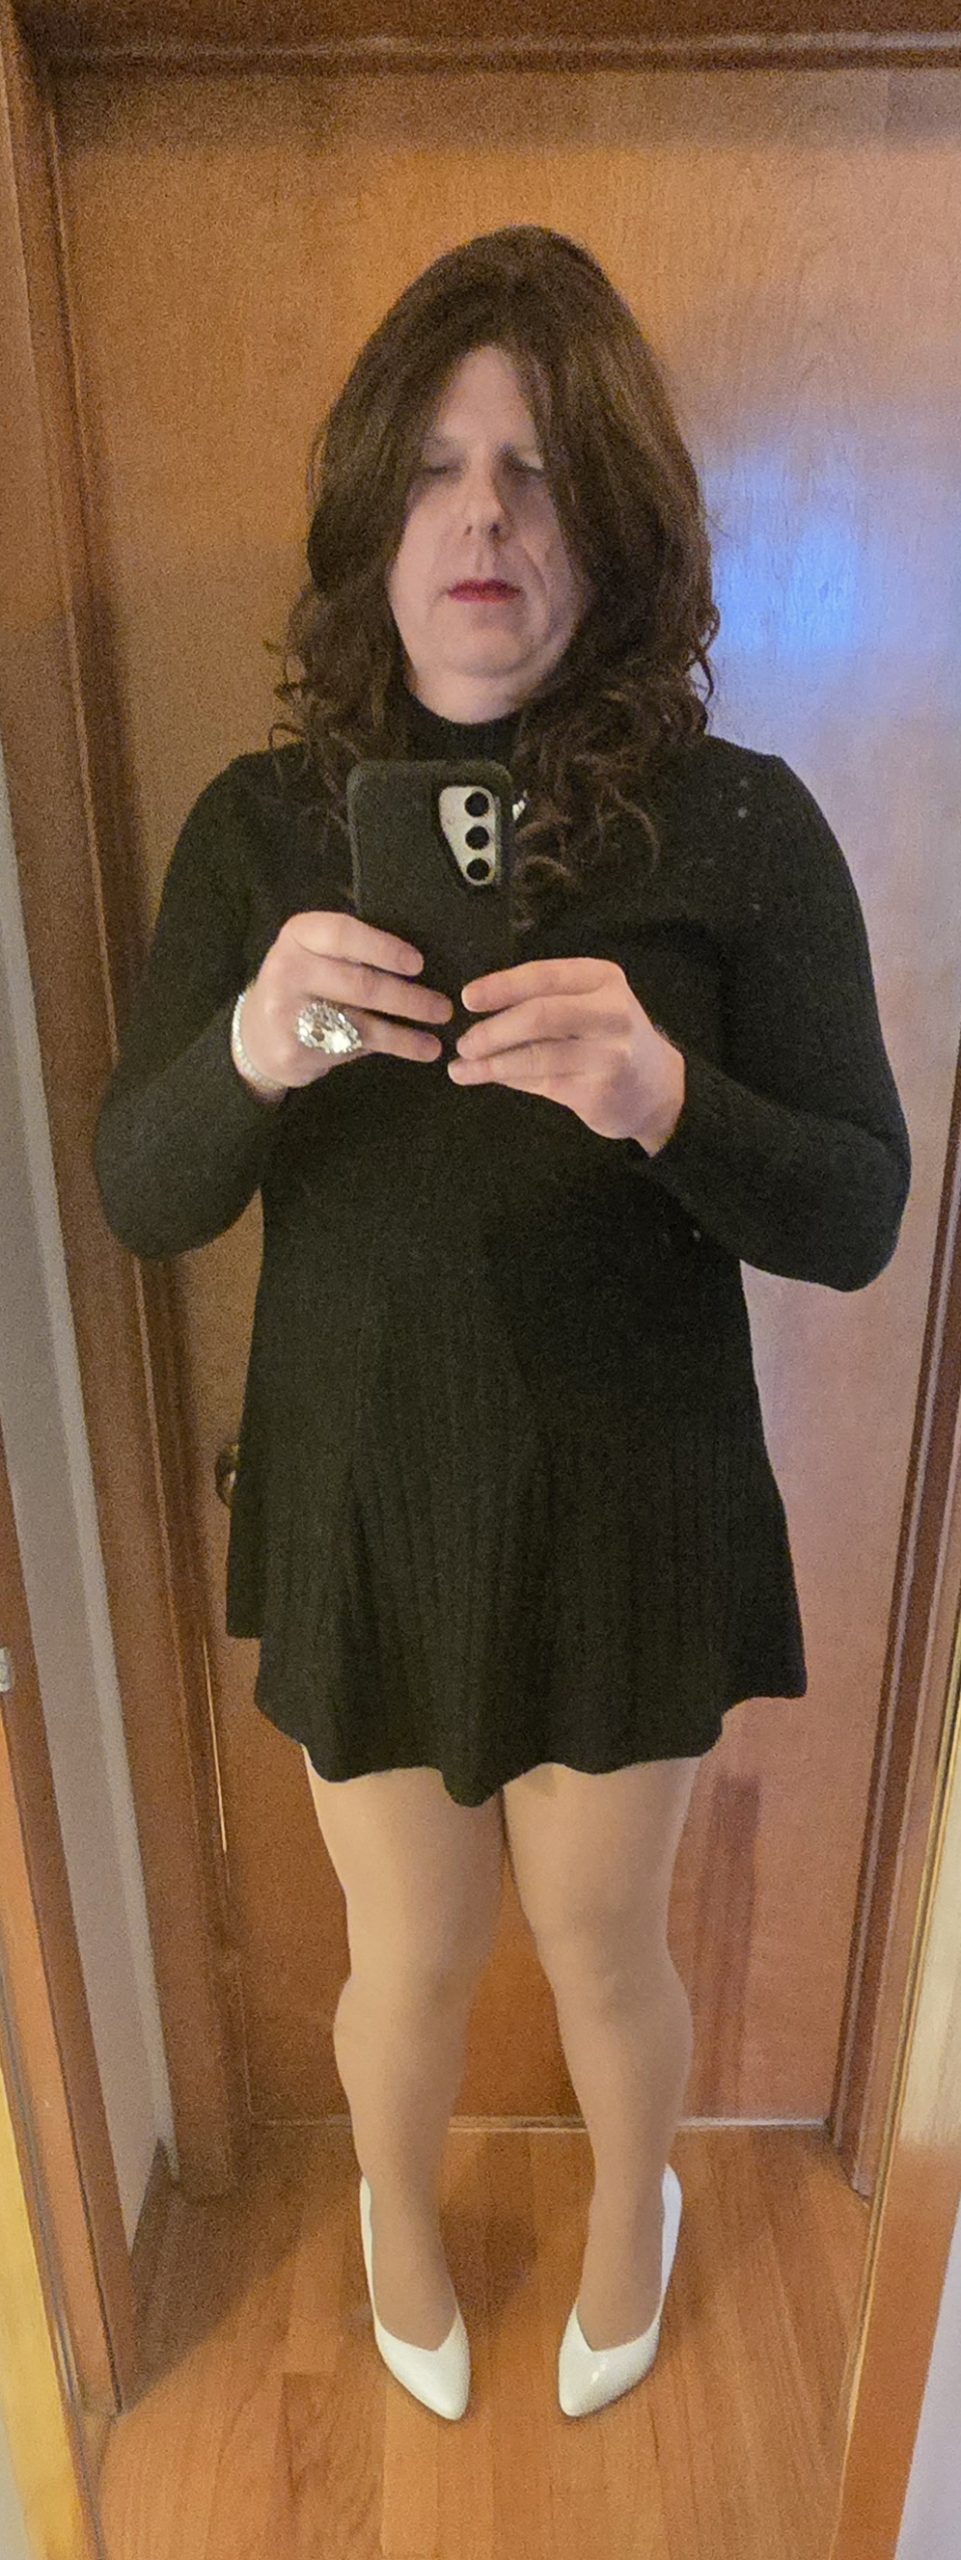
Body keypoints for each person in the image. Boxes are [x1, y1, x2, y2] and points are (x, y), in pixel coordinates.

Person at [93, 227, 912, 2421]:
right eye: (441, 469)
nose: (484, 518)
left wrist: (664, 1095)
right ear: (375, 516)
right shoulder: (263, 831)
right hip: (365, 1493)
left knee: (600, 1937)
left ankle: (636, 2204)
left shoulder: (739, 827)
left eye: (539, 472)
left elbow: (858, 1210)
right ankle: (393, 2214)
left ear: (612, 527)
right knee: (408, 1947)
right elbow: (142, 1192)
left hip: (632, 1500)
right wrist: (254, 1043)